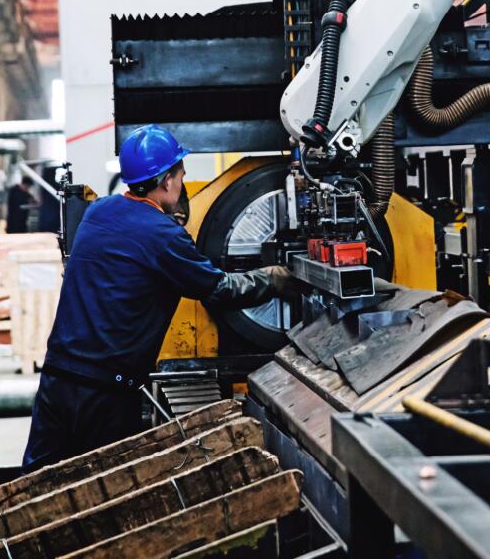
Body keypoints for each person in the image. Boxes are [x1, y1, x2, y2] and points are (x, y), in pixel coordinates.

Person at [22, 124, 293, 471]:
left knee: (33, 483)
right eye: (181, 175)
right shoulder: (163, 236)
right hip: (105, 395)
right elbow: (221, 290)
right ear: (166, 181)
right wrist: (274, 278)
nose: (182, 182)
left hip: (57, 376)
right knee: (109, 491)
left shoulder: (98, 211)